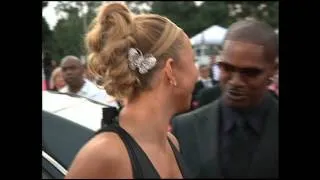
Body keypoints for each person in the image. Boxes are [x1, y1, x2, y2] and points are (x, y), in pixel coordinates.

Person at [65, 2, 198, 179]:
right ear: (170, 70)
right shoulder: (105, 154)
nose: (197, 73)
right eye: (193, 61)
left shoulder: (171, 143)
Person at [171, 19, 279, 178]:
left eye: (250, 73)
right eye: (227, 68)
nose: (235, 82)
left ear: (273, 71)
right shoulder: (186, 127)